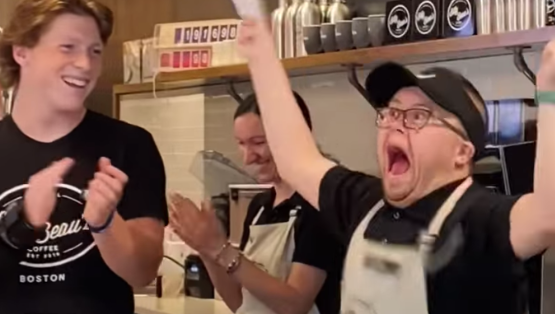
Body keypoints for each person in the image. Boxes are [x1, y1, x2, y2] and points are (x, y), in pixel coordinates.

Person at [235, 19, 554, 314]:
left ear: (461, 152)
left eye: (417, 116)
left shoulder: (478, 218)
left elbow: (546, 214)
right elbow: (294, 159)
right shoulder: (364, 203)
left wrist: (550, 91)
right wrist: (262, 57)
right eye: (390, 113)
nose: (394, 125)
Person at [0, 0, 168, 314]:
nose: (85, 64)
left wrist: (105, 225)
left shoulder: (130, 144)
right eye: (67, 47)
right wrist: (23, 220)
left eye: (95, 51)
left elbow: (142, 272)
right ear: (22, 52)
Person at [170, 92, 344, 314]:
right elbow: (240, 302)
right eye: (241, 144)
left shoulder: (319, 204)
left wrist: (220, 249)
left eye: (258, 143)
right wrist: (205, 248)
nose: (247, 158)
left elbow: (295, 304)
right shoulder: (260, 206)